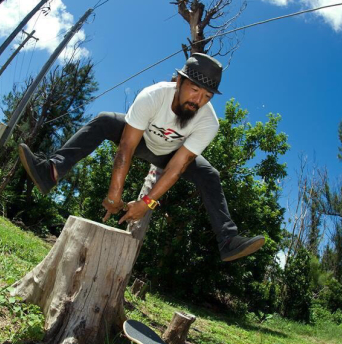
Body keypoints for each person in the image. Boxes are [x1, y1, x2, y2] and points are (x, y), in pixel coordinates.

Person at [18, 53, 264, 261]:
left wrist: (147, 204)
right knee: (104, 120)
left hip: (170, 156)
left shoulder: (208, 122)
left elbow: (177, 168)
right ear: (179, 81)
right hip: (141, 141)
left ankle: (228, 240)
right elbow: (126, 147)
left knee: (210, 174)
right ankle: (51, 171)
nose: (197, 101)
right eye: (194, 90)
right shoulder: (154, 95)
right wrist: (114, 194)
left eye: (206, 96)